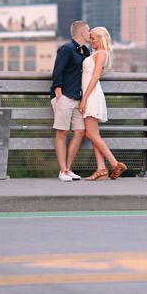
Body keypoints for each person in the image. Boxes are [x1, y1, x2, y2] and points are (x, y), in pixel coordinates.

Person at [78, 26, 128, 180]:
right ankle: (101, 169)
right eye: (90, 38)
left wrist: (84, 99)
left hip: (91, 95)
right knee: (93, 134)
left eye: (93, 38)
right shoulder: (95, 53)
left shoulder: (101, 53)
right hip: (89, 93)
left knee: (90, 133)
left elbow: (95, 77)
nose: (91, 41)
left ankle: (114, 164)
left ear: (101, 39)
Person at [50, 20, 90, 182]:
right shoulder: (66, 49)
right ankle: (62, 171)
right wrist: (58, 93)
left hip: (78, 97)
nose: (90, 34)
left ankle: (68, 168)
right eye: (88, 31)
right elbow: (57, 71)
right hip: (64, 96)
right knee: (62, 132)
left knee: (80, 132)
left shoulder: (85, 51)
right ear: (82, 32)